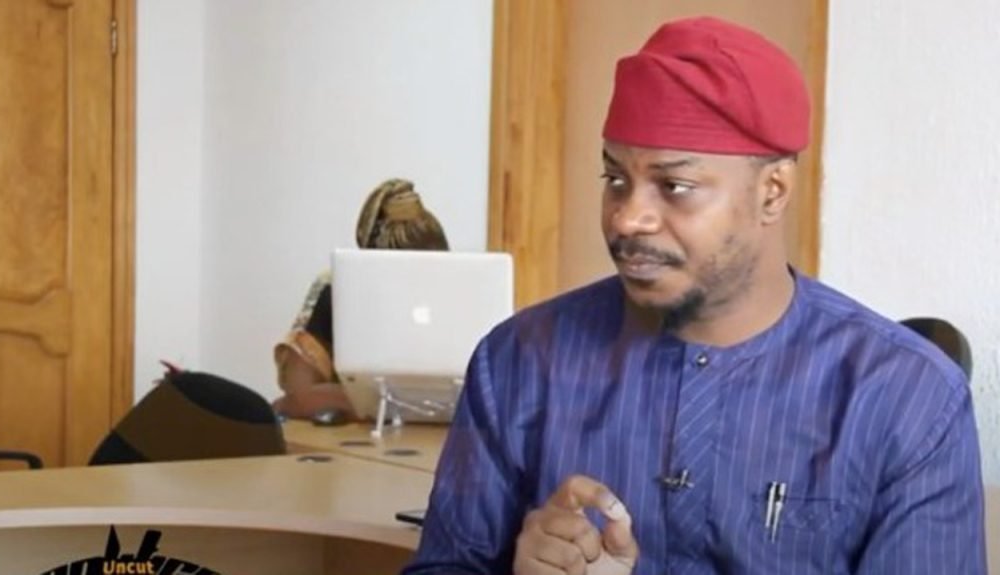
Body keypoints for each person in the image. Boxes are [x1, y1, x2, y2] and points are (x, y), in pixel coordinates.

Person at [403, 16, 986, 575]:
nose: (628, 218)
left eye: (675, 186)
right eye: (615, 180)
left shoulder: (907, 397)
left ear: (772, 191)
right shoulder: (520, 360)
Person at [272, 178, 449, 420]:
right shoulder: (337, 288)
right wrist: (387, 401)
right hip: (357, 434)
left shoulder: (456, 291)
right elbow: (298, 395)